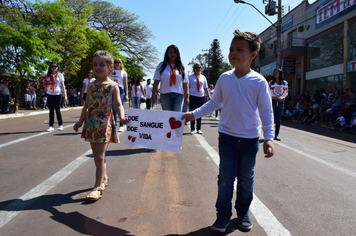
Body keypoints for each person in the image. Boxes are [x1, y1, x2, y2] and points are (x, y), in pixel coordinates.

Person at [182, 30, 274, 233]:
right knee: (225, 178)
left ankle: (243, 213)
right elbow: (215, 102)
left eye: (239, 49)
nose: (233, 53)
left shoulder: (259, 82)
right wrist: (193, 114)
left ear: (252, 55)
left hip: (250, 140)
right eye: (231, 49)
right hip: (227, 137)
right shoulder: (225, 78)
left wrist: (268, 138)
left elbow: (266, 111)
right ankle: (222, 216)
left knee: (246, 178)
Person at [73, 50, 127, 201]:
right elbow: (87, 106)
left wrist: (122, 117)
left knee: (100, 155)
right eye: (95, 64)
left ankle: (97, 188)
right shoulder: (91, 86)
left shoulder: (113, 86)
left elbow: (119, 104)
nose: (98, 68)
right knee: (97, 158)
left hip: (105, 124)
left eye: (102, 65)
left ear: (110, 67)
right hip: (91, 124)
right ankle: (104, 177)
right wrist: (80, 121)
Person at [151, 44, 189, 111]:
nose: (172, 54)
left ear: (177, 54)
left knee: (177, 116)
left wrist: (187, 96)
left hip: (178, 95)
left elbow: (185, 83)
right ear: (167, 54)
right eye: (170, 52)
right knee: (167, 116)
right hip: (165, 95)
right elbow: (156, 81)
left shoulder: (182, 67)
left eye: (174, 52)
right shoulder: (161, 66)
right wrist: (154, 94)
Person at [188, 63, 210, 134]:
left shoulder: (203, 77)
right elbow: (187, 88)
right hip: (192, 96)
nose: (198, 69)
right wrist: (187, 96)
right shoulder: (190, 77)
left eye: (199, 67)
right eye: (197, 67)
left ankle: (198, 128)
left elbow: (205, 88)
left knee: (200, 112)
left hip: (201, 96)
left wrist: (209, 97)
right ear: (194, 69)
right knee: (193, 112)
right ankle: (192, 128)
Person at [46, 62, 67, 132]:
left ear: (57, 67)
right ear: (50, 67)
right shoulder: (48, 75)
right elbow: (45, 85)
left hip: (58, 93)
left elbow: (62, 86)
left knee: (57, 110)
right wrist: (45, 89)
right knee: (51, 110)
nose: (53, 68)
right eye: (52, 66)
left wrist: (65, 95)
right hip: (50, 93)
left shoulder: (60, 75)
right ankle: (51, 125)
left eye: (55, 66)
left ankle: (60, 124)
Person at [269, 68, 288, 141]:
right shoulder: (271, 82)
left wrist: (283, 98)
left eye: (276, 72)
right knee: (272, 118)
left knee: (278, 119)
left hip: (280, 101)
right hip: (273, 101)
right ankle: (270, 134)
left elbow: (286, 92)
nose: (275, 74)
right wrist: (273, 97)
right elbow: (267, 92)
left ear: (280, 74)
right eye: (274, 73)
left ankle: (276, 135)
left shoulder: (284, 83)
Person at [110, 58, 128, 132]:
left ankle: (121, 125)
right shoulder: (111, 71)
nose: (117, 63)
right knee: (113, 108)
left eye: (119, 62)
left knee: (121, 107)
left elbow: (125, 84)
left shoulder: (123, 72)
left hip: (121, 90)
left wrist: (126, 94)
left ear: (121, 63)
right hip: (112, 89)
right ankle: (114, 125)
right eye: (116, 62)